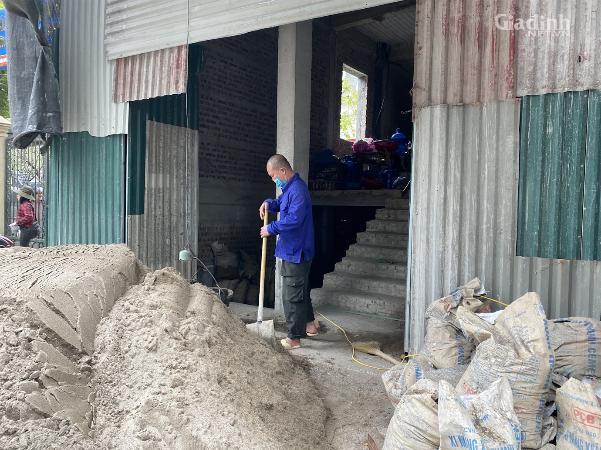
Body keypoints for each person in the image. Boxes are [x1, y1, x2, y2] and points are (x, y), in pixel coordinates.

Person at [259, 154, 319, 350]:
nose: (273, 179)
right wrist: (268, 203)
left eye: (273, 175)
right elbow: (279, 203)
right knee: (300, 290)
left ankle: (294, 338)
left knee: (291, 296)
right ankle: (310, 325)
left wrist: (270, 228)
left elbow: (294, 219)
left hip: (296, 251)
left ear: (282, 171)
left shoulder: (298, 191)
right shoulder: (290, 189)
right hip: (292, 250)